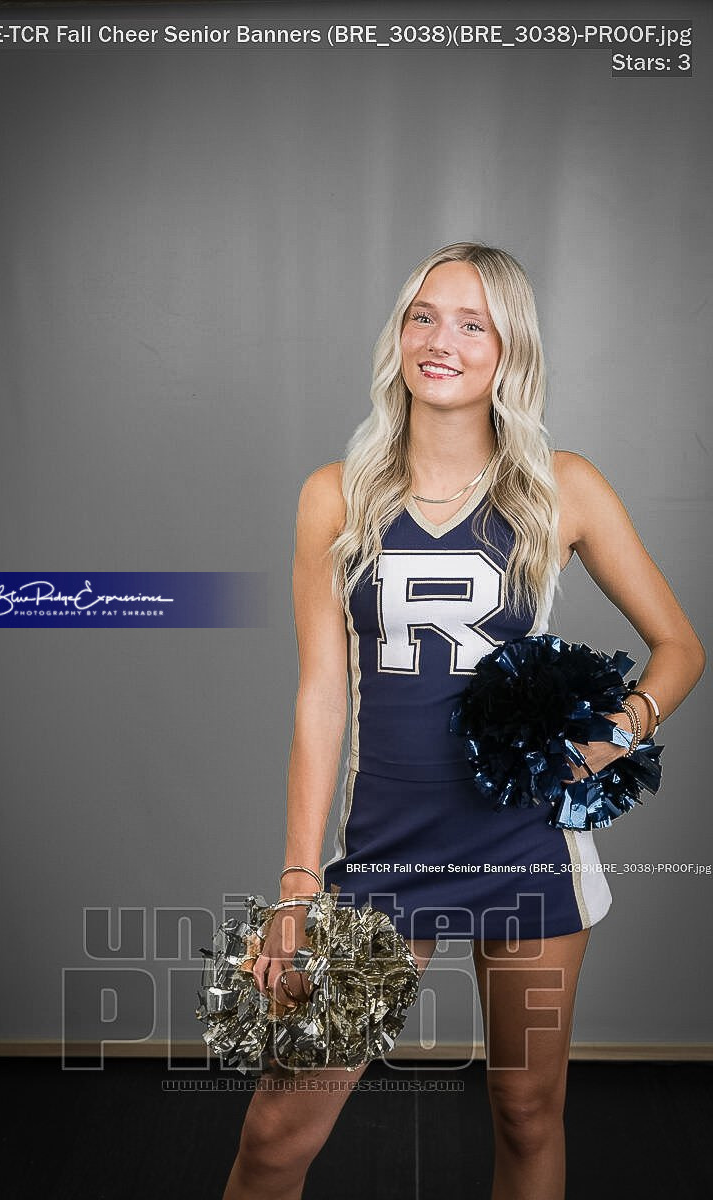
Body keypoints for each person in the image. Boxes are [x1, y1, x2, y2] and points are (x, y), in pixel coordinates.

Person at [221, 242, 706, 1200]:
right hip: (387, 847)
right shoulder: (334, 496)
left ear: (508, 350)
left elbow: (680, 648)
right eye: (423, 316)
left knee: (526, 1113)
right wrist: (297, 882)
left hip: (527, 846)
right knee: (277, 1134)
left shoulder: (562, 487)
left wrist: (611, 737)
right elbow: (322, 695)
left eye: (472, 323)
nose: (440, 340)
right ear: (399, 336)